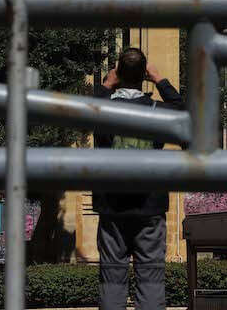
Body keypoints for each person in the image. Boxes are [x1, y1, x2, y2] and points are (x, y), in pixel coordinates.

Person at [93, 48, 185, 310]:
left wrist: (106, 85)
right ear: (144, 75)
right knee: (152, 277)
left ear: (118, 74)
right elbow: (182, 109)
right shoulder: (158, 110)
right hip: (150, 205)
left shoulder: (101, 109)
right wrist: (160, 80)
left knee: (111, 278)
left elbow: (85, 107)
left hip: (112, 206)